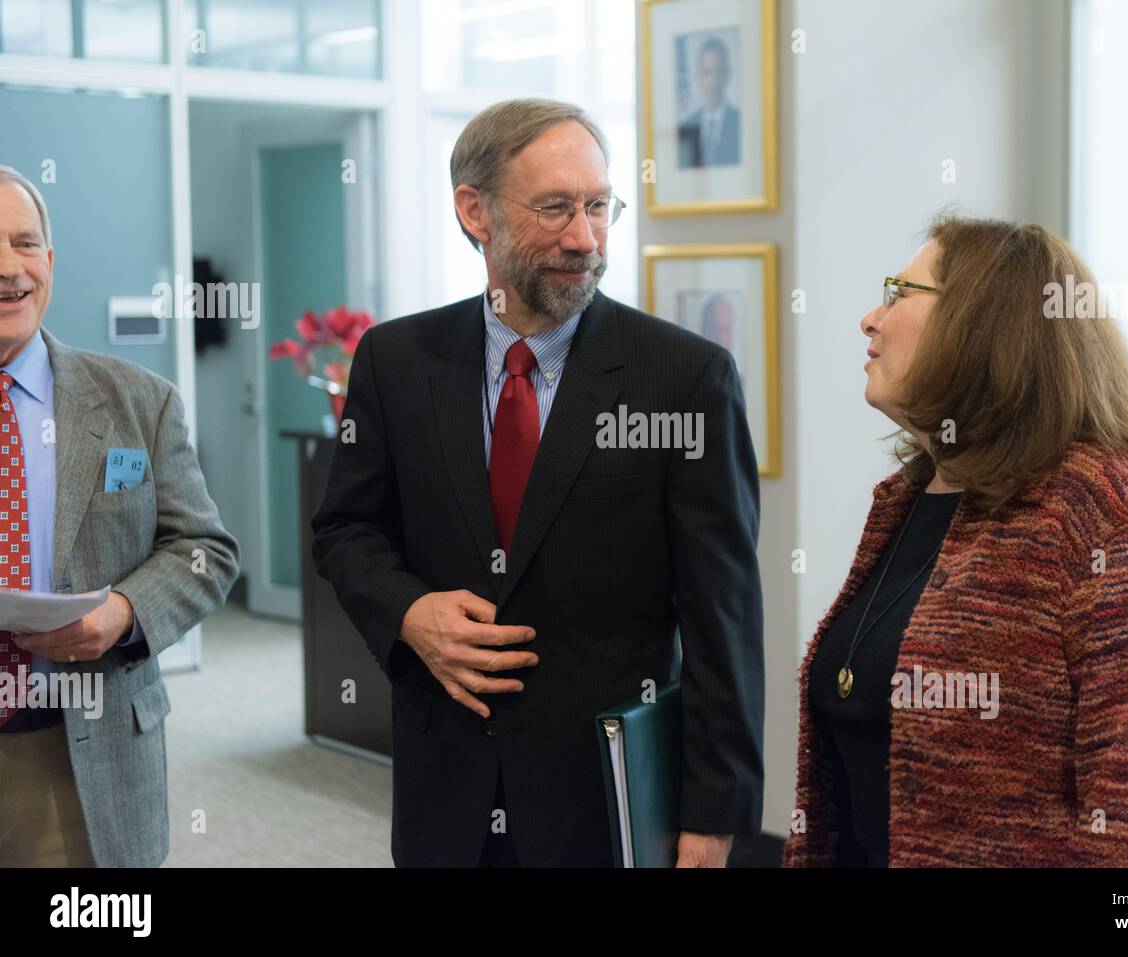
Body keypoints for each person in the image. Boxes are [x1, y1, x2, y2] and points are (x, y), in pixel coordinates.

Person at [311, 98, 764, 867]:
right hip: (444, 790)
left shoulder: (684, 378)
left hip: (606, 799)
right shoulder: (396, 361)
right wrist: (411, 611)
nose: (585, 239)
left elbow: (723, 615)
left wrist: (714, 817)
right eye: (555, 209)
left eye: (599, 207)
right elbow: (346, 531)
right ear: (474, 211)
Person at [783, 214, 1128, 867]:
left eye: (899, 294)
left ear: (982, 325)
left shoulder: (1109, 510)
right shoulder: (912, 496)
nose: (870, 319)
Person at [0, 165, 240, 867]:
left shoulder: (140, 400)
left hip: (77, 752)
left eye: (24, 243)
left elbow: (204, 548)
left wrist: (125, 612)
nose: (8, 268)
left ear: (50, 261)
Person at [677, 37, 741, 168]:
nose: (713, 80)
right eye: (707, 72)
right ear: (699, 77)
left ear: (727, 74)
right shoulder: (687, 125)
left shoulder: (739, 121)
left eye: (718, 71)